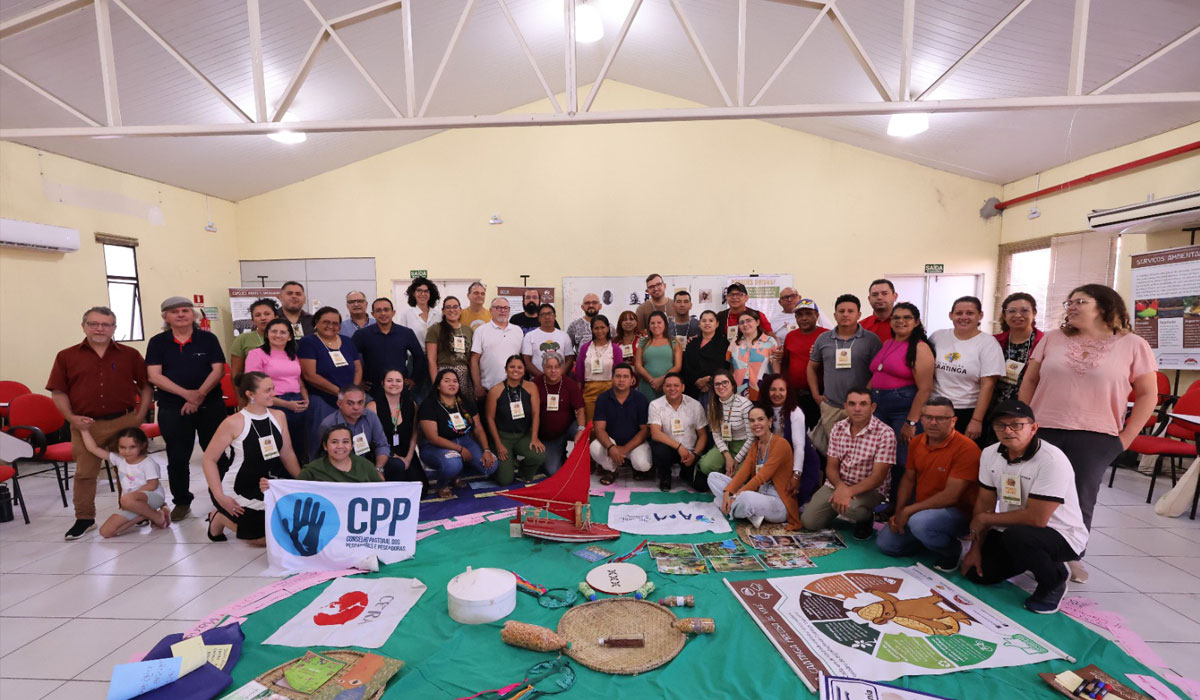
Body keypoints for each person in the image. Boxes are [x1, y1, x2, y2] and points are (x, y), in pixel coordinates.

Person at [1019, 284, 1156, 585]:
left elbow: (1147, 395)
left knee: (1080, 497)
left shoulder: (1133, 344)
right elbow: (1029, 381)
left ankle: (1071, 555)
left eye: (1081, 301)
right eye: (1070, 301)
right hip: (1043, 428)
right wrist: (1023, 422)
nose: (1072, 306)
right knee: (1032, 492)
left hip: (1097, 434)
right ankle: (1029, 552)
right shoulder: (1052, 339)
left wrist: (1127, 437)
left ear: (1105, 306)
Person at [962, 400, 1089, 614]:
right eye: (1000, 425)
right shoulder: (990, 453)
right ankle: (1032, 559)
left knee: (1018, 537)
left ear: (1033, 428)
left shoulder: (1051, 460)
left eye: (1016, 424)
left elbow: (1037, 519)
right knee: (979, 574)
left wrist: (985, 519)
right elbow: (985, 503)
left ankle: (1054, 581)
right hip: (1015, 529)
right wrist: (975, 549)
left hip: (1061, 534)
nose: (1008, 430)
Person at [47, 306, 153, 540]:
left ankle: (132, 511)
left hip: (124, 422)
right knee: (85, 473)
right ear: (83, 326)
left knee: (130, 472)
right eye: (93, 323)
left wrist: (140, 416)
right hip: (85, 425)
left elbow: (146, 386)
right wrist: (71, 418)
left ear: (114, 328)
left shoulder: (129, 354)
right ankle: (84, 519)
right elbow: (58, 391)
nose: (100, 328)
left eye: (106, 324)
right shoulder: (66, 356)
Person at [146, 296, 227, 522]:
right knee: (178, 457)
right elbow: (154, 375)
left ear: (193, 314)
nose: (180, 314)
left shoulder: (208, 339)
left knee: (216, 454)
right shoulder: (158, 342)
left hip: (209, 405)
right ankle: (182, 501)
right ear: (165, 317)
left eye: (185, 310)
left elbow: (218, 370)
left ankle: (219, 501)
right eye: (174, 312)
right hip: (173, 407)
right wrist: (187, 395)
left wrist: (199, 396)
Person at [876, 397, 980, 570]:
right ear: (921, 419)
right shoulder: (917, 441)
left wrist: (909, 510)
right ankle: (927, 539)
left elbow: (951, 496)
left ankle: (952, 550)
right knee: (887, 545)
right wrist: (900, 510)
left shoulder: (967, 449)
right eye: (928, 417)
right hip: (922, 509)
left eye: (940, 418)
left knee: (920, 523)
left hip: (957, 514)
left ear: (953, 421)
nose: (933, 422)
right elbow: (908, 479)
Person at [202, 372, 301, 544]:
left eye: (273, 389)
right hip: (233, 488)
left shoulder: (279, 416)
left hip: (263, 485)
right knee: (265, 540)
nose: (273, 394)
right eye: (267, 390)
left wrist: (303, 481)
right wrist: (220, 497)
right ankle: (219, 517)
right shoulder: (233, 422)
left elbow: (287, 453)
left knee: (289, 531)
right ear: (250, 394)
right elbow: (208, 459)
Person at [801, 387, 896, 540]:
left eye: (863, 404)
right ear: (845, 406)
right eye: (852, 404)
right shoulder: (838, 428)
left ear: (873, 408)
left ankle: (865, 518)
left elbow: (878, 477)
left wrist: (848, 492)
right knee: (809, 522)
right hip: (839, 483)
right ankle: (837, 507)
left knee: (851, 509)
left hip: (870, 489)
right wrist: (840, 487)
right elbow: (831, 467)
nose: (857, 409)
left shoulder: (885, 433)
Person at [868, 301, 935, 504]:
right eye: (896, 317)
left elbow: (925, 389)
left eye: (907, 317)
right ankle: (885, 503)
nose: (900, 321)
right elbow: (877, 372)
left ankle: (902, 507)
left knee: (903, 462)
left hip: (903, 410)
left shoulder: (920, 348)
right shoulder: (888, 343)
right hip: (879, 406)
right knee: (880, 458)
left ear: (916, 322)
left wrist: (911, 422)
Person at [807, 294, 882, 453]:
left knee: (860, 451)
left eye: (850, 311)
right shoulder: (823, 339)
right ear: (835, 315)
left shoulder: (871, 340)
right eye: (841, 311)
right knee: (832, 452)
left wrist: (866, 394)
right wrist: (816, 395)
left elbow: (878, 371)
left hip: (860, 407)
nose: (845, 314)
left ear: (859, 315)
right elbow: (812, 367)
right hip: (831, 406)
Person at [710, 406, 802, 529]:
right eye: (752, 421)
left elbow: (761, 478)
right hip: (759, 495)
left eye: (760, 419)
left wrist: (735, 496)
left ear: (770, 421)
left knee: (744, 498)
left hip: (779, 503)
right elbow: (743, 472)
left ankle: (729, 506)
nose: (756, 424)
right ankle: (748, 513)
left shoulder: (781, 444)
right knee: (713, 477)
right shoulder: (755, 446)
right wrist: (728, 491)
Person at [929, 296, 1005, 440]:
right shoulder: (937, 336)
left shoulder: (988, 343)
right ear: (951, 315)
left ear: (980, 315)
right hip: (935, 408)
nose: (963, 317)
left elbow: (988, 385)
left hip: (966, 411)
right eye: (959, 313)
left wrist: (976, 420)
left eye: (969, 313)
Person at [418, 369, 497, 497]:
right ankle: (442, 483)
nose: (452, 384)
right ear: (438, 385)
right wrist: (460, 449)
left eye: (455, 381)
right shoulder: (429, 405)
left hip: (465, 440)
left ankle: (455, 472)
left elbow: (478, 428)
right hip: (436, 445)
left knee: (491, 466)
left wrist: (487, 450)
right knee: (453, 463)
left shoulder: (465, 402)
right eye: (447, 381)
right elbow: (432, 438)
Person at [79, 427, 169, 536]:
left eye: (132, 447)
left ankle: (158, 517)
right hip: (130, 503)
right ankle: (153, 513)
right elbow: (94, 449)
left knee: (126, 499)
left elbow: (152, 485)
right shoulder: (119, 459)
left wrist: (130, 497)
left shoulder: (148, 463)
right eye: (122, 447)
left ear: (143, 445)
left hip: (154, 497)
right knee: (106, 532)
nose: (127, 451)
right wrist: (84, 430)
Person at [245, 317, 309, 461]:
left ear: (290, 336)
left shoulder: (292, 354)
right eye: (274, 331)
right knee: (277, 448)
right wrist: (286, 404)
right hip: (272, 404)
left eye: (283, 332)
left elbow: (298, 379)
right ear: (267, 334)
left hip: (297, 402)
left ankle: (295, 480)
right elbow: (254, 387)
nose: (278, 335)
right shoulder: (256, 354)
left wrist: (305, 398)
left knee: (298, 446)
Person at [300, 306, 363, 448]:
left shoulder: (347, 341)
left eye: (335, 323)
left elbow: (358, 369)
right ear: (316, 322)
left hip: (349, 401)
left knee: (348, 439)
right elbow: (310, 375)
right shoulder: (308, 342)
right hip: (322, 400)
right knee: (321, 440)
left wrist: (352, 392)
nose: (331, 326)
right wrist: (340, 393)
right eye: (326, 322)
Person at [757, 374, 819, 507]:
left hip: (803, 465)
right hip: (778, 463)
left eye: (781, 390)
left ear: (787, 392)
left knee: (792, 504)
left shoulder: (795, 412)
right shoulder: (762, 411)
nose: (777, 394)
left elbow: (799, 447)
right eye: (773, 389)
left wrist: (796, 476)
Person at [485, 356, 546, 485]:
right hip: (503, 437)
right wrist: (498, 444)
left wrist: (534, 437)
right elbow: (490, 418)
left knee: (538, 454)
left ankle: (523, 469)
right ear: (506, 369)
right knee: (505, 480)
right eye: (512, 367)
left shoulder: (531, 387)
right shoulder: (495, 390)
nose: (516, 370)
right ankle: (507, 463)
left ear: (524, 371)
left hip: (523, 435)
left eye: (520, 367)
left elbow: (536, 413)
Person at [590, 364, 651, 485]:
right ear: (612, 378)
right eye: (618, 376)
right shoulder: (603, 398)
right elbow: (599, 429)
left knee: (643, 465)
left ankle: (634, 467)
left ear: (632, 380)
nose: (621, 380)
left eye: (625, 376)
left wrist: (625, 449)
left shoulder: (640, 399)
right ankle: (611, 470)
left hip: (634, 443)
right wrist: (611, 447)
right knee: (595, 447)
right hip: (611, 443)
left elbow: (645, 430)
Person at [695, 369, 755, 489]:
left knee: (738, 478)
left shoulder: (745, 404)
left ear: (732, 385)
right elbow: (716, 435)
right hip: (725, 444)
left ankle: (728, 473)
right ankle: (725, 470)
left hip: (744, 445)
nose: (721, 386)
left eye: (725, 383)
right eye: (717, 384)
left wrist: (736, 460)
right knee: (706, 466)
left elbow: (752, 437)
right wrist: (727, 457)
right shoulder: (712, 405)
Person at [648, 373, 708, 491]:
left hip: (690, 451)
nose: (672, 389)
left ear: (683, 387)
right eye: (668, 386)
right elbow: (655, 433)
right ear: (663, 388)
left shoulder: (695, 405)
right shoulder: (655, 405)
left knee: (701, 486)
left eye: (676, 385)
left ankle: (685, 472)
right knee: (659, 449)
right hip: (669, 449)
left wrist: (694, 455)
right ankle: (665, 475)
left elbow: (703, 435)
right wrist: (679, 447)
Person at [354, 297, 425, 395]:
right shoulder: (362, 334)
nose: (383, 313)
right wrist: (358, 381)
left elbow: (419, 357)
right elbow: (349, 357)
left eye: (386, 310)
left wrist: (414, 379)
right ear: (373, 314)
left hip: (400, 389)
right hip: (372, 390)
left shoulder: (406, 333)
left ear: (393, 312)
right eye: (378, 310)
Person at [315, 385, 390, 477]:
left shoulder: (371, 416)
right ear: (339, 404)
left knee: (396, 465)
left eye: (360, 403)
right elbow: (321, 455)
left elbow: (382, 445)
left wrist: (378, 469)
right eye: (350, 403)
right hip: (337, 467)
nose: (356, 407)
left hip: (367, 463)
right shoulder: (328, 424)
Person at [367, 369, 425, 486]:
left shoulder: (411, 405)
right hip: (381, 454)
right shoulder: (372, 407)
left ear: (403, 383)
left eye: (398, 381)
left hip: (405, 451)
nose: (394, 384)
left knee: (419, 488)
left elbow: (414, 433)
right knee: (397, 471)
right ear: (383, 383)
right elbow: (371, 439)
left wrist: (408, 457)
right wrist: (395, 456)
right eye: (390, 380)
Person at [533, 352, 586, 475]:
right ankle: (560, 454)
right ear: (543, 368)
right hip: (548, 436)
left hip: (568, 427)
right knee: (552, 471)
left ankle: (583, 466)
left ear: (561, 368)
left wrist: (581, 429)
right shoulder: (535, 384)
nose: (553, 370)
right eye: (549, 367)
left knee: (585, 435)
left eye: (556, 367)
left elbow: (580, 409)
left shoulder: (570, 384)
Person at [780, 298, 828, 427]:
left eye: (808, 314)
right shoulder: (790, 336)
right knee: (795, 431)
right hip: (794, 395)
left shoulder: (826, 335)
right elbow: (785, 364)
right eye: (800, 315)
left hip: (819, 395)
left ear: (816, 315)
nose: (804, 318)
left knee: (818, 435)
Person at [993, 292, 1044, 405]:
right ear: (1004, 315)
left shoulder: (1044, 343)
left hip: (1029, 407)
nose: (1017, 315)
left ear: (1034, 313)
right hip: (995, 407)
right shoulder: (993, 342)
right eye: (1011, 311)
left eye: (1024, 310)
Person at [471, 297, 525, 400]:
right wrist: (477, 386)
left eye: (505, 308)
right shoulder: (481, 331)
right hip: (488, 389)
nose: (502, 311)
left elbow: (522, 359)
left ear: (509, 310)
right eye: (498, 307)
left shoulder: (518, 331)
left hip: (514, 389)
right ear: (491, 310)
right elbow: (474, 359)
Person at [574, 315, 624, 422]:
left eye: (602, 327)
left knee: (609, 422)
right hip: (589, 390)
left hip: (610, 389)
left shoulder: (615, 349)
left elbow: (619, 373)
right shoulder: (585, 348)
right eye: (596, 328)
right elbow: (579, 373)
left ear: (608, 328)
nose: (599, 331)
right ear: (591, 329)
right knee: (590, 424)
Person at [298, 424, 383, 483]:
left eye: (345, 442)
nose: (340, 446)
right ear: (325, 446)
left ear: (352, 446)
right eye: (334, 442)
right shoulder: (311, 470)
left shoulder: (366, 466)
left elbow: (381, 491)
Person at [426, 296, 474, 398]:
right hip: (444, 376)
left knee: (464, 409)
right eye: (448, 307)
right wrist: (437, 384)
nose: (452, 310)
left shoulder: (468, 330)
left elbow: (471, 359)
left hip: (465, 377)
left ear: (460, 310)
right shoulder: (435, 329)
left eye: (455, 307)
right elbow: (431, 360)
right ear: (443, 311)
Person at [728, 311, 779, 401]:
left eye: (749, 321)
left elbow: (776, 368)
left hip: (762, 388)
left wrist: (777, 388)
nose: (745, 324)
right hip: (739, 389)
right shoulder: (734, 342)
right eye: (741, 322)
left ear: (757, 322)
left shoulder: (769, 341)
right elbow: (731, 367)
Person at [681, 310, 729, 404]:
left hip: (714, 388)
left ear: (717, 324)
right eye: (704, 321)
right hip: (692, 387)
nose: (707, 323)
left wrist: (708, 380)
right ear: (699, 324)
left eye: (711, 321)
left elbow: (724, 366)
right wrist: (697, 381)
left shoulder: (724, 343)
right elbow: (686, 365)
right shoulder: (692, 342)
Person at [635, 311, 683, 400]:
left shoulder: (674, 342)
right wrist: (652, 381)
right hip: (647, 386)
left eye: (659, 322)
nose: (655, 325)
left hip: (668, 386)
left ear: (665, 324)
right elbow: (638, 365)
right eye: (652, 323)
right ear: (648, 326)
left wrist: (662, 380)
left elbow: (677, 366)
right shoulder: (643, 342)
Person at [522, 304, 575, 377]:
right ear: (538, 318)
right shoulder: (530, 336)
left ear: (554, 316)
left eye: (550, 313)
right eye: (543, 314)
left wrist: (559, 375)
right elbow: (527, 361)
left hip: (559, 380)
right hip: (537, 380)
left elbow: (569, 360)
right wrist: (542, 377)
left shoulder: (564, 336)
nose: (547, 317)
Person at [230, 299, 277, 379]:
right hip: (254, 388)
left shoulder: (285, 338)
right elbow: (236, 374)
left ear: (276, 317)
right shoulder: (243, 339)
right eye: (258, 315)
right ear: (253, 321)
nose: (263, 318)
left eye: (267, 314)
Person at [398, 277, 442, 345]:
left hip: (435, 354)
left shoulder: (439, 315)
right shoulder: (406, 315)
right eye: (419, 291)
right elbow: (401, 338)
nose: (423, 294)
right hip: (413, 355)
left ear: (431, 294)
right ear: (413, 293)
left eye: (426, 291)